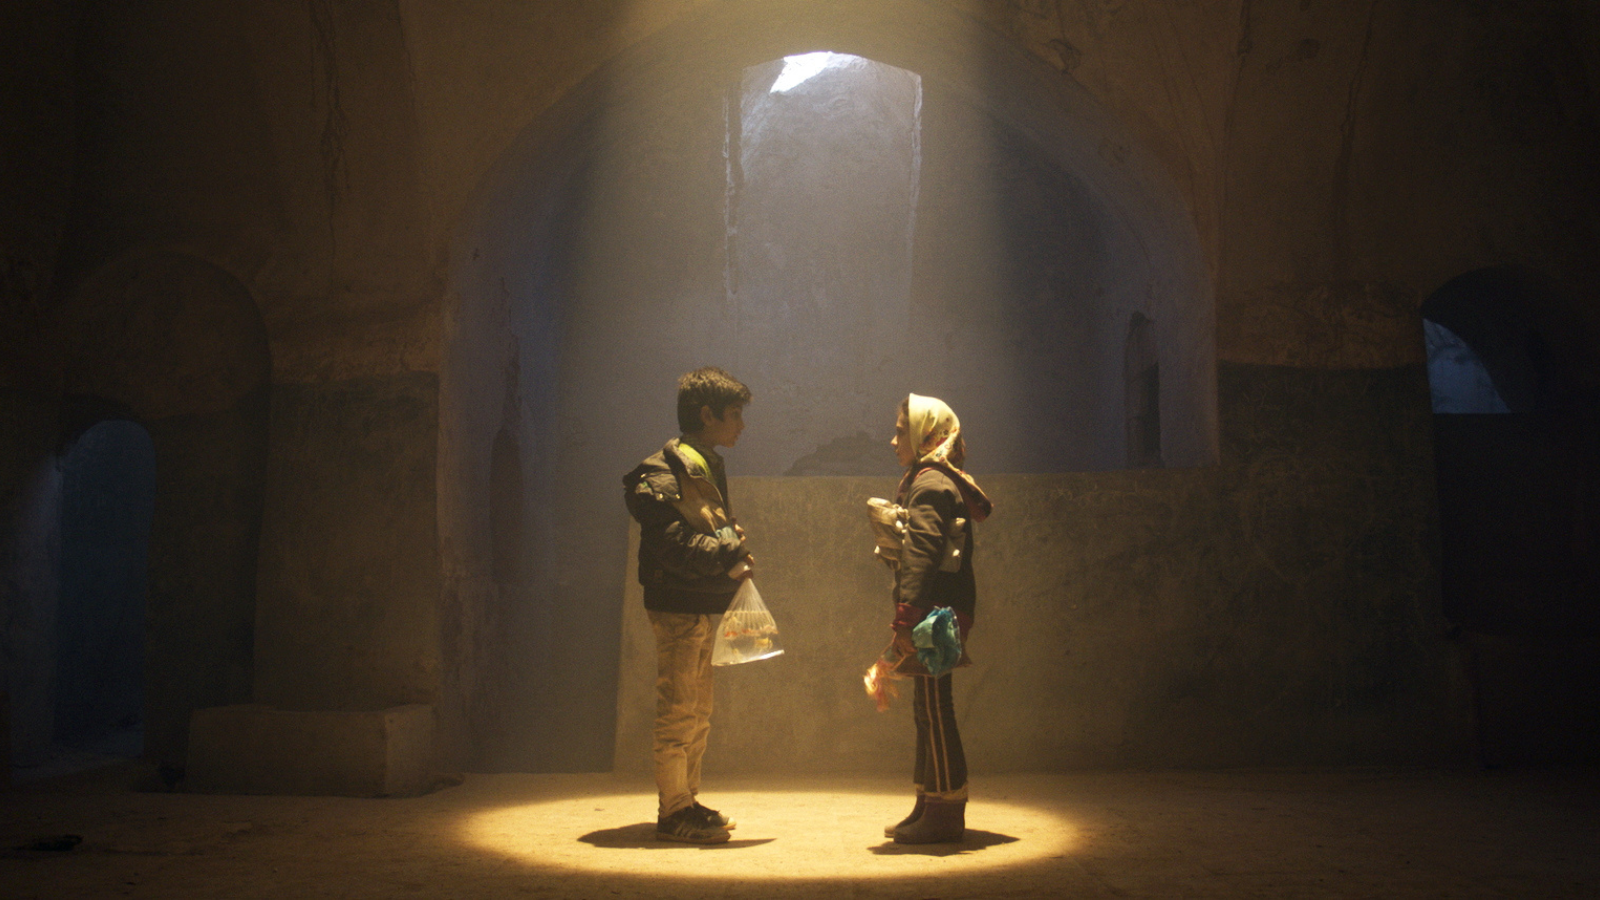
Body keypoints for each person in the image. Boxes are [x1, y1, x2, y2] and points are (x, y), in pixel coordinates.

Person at [622, 366, 754, 845]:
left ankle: (688, 802)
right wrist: (725, 553)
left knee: (698, 711)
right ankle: (674, 811)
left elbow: (701, 531)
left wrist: (730, 545)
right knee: (679, 708)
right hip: (677, 604)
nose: (741, 425)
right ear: (707, 414)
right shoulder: (661, 470)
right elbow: (670, 543)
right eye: (734, 415)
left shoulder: (703, 462)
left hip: (696, 601)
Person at [884, 393, 992, 844]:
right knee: (926, 707)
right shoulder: (937, 479)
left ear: (925, 434)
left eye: (899, 430)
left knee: (934, 707)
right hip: (938, 610)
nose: (893, 441)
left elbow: (923, 554)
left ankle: (945, 811)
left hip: (932, 613)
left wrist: (906, 618)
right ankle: (928, 802)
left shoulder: (931, 483)